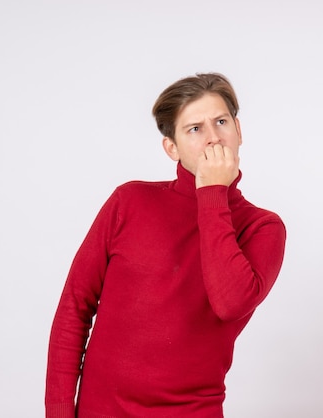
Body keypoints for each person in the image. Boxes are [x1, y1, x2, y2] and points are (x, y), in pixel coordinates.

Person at [45, 73, 286, 418]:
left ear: (239, 130)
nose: (214, 138)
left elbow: (229, 304)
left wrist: (213, 193)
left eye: (221, 122)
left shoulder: (263, 228)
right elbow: (74, 308)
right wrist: (58, 412)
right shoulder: (129, 201)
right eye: (195, 129)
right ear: (171, 147)